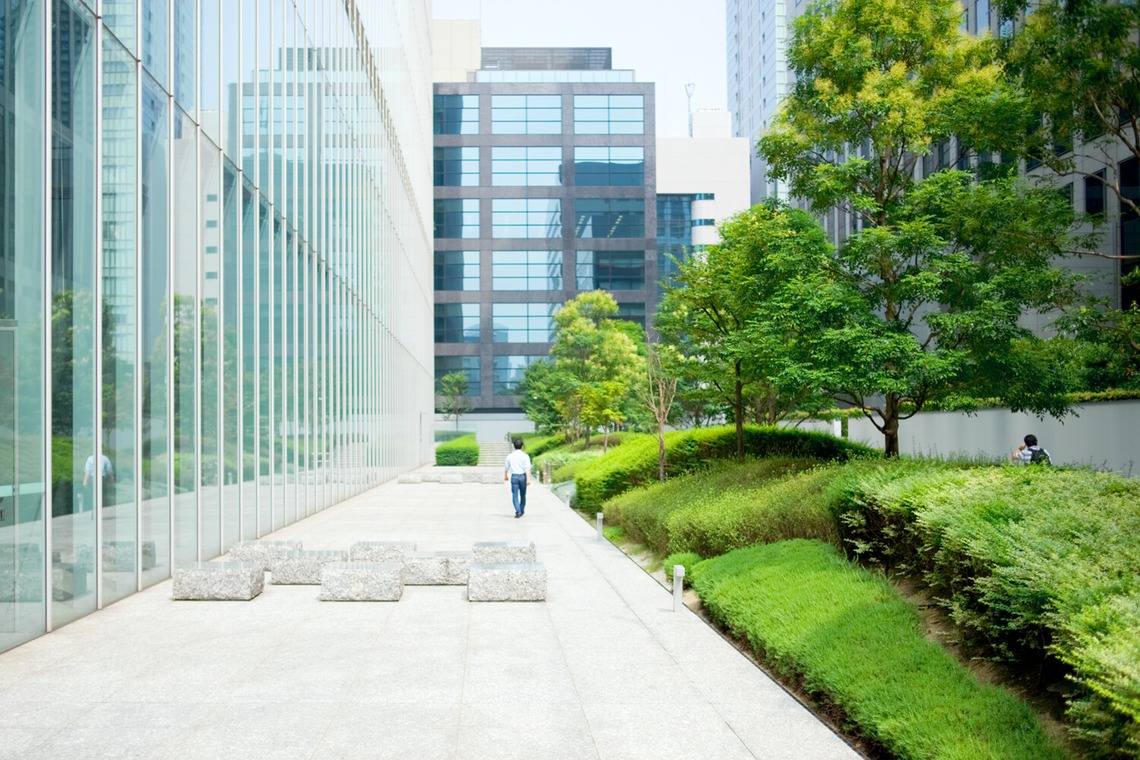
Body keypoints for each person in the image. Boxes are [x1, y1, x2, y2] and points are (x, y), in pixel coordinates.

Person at [503, 437, 532, 518]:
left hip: (514, 477)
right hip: (523, 477)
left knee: (515, 495)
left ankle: (518, 511)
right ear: (522, 446)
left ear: (514, 446)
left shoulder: (510, 456)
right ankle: (521, 511)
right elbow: (527, 468)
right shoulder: (525, 456)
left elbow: (506, 467)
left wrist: (505, 475)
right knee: (523, 495)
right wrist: (528, 479)